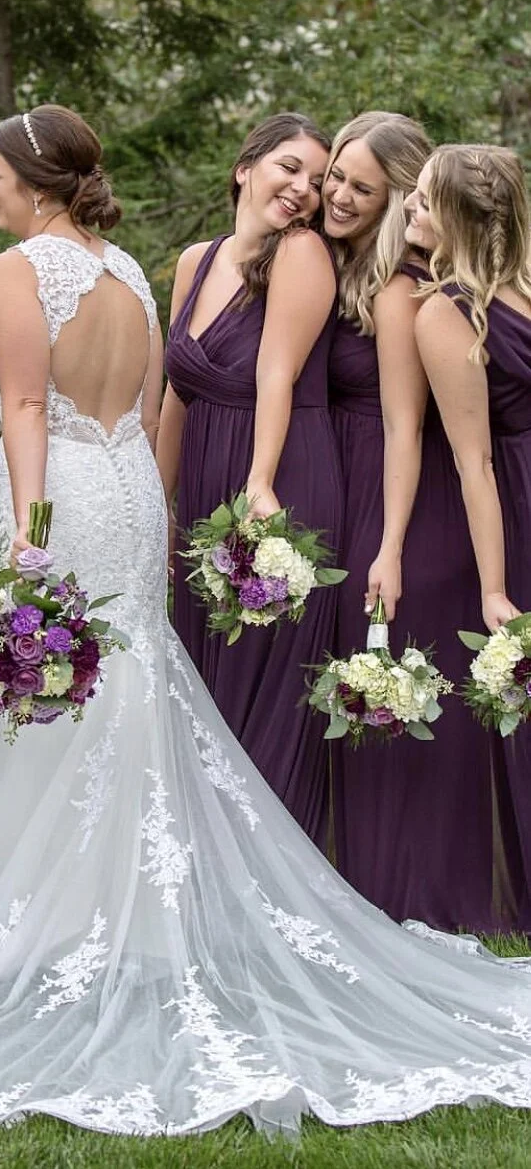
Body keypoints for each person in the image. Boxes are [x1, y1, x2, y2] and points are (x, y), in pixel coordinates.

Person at [0, 106, 531, 1138]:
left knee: (53, 689)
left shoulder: (20, 271)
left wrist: (31, 543)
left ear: (35, 183)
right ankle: (115, 912)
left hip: (61, 500)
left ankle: (53, 922)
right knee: (124, 684)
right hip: (129, 489)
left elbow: (28, 414)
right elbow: (137, 406)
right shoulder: (128, 266)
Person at [324, 113, 497, 931]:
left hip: (402, 497)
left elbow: (406, 427)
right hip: (364, 486)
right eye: (336, 177)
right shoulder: (359, 271)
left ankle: (414, 892)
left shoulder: (406, 292)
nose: (339, 195)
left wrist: (387, 543)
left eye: (363, 186)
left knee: (405, 676)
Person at [160, 113, 341, 848]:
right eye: (289, 168)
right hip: (202, 479)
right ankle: (209, 866)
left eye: (316, 181)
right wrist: (157, 503)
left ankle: (269, 876)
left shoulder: (300, 253)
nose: (302, 190)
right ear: (245, 166)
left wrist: (260, 484)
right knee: (204, 676)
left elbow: (278, 371)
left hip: (278, 473)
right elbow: (176, 392)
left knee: (261, 683)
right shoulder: (192, 262)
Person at [413, 143, 531, 929]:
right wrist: (493, 589)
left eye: (420, 200)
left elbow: (476, 463)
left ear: (455, 214)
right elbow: (474, 459)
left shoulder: (453, 307)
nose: (408, 211)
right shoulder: (465, 307)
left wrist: (490, 589)